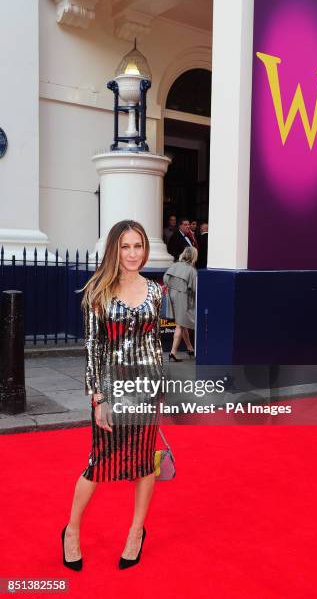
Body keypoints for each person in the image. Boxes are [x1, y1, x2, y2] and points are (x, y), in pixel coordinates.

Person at [62, 220, 164, 571]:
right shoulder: (98, 292)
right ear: (114, 250)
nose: (133, 254)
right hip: (113, 389)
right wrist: (98, 398)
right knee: (99, 462)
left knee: (144, 461)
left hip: (148, 387)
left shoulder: (155, 291)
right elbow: (93, 348)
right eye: (125, 247)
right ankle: (71, 531)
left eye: (138, 246)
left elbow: (153, 342)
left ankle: (136, 532)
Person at [163, 246, 198, 361]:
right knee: (180, 325)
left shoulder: (174, 265)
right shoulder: (192, 270)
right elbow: (194, 288)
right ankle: (173, 353)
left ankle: (190, 348)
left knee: (182, 323)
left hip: (171, 296)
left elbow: (165, 279)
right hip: (183, 298)